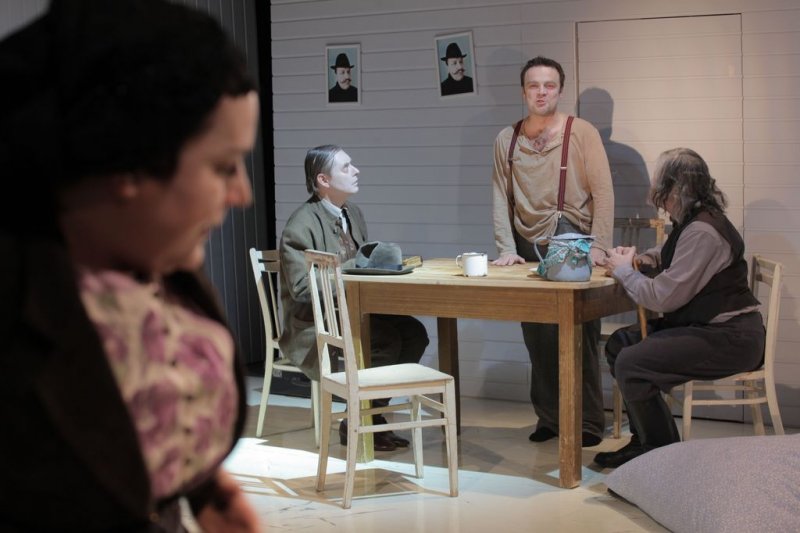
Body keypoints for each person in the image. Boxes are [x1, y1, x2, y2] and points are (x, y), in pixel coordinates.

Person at [0, 0, 261, 531]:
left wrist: (199, 486)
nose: (242, 194)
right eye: (223, 166)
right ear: (130, 165)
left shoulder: (153, 260)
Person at [594, 148, 765, 468]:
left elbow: (662, 297)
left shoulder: (702, 230)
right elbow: (668, 254)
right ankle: (646, 441)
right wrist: (638, 260)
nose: (655, 192)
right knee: (621, 344)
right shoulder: (693, 221)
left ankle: (661, 457)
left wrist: (625, 271)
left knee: (632, 362)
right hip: (709, 328)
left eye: (660, 183)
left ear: (675, 189)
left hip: (730, 337)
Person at [491, 56, 614, 447]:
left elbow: (603, 192)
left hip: (570, 236)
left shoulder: (581, 132)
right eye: (534, 85)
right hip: (526, 240)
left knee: (578, 333)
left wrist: (600, 245)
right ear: (523, 91)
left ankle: (588, 421)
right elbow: (500, 196)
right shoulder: (507, 138)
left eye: (549, 86)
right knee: (536, 333)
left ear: (560, 90)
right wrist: (505, 247)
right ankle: (549, 416)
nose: (541, 92)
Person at [279, 145, 429, 452]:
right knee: (384, 339)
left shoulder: (353, 214)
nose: (356, 170)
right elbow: (302, 288)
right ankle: (358, 420)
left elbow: (359, 267)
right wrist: (351, 267)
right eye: (346, 167)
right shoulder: (301, 224)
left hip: (350, 311)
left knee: (414, 333)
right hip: (315, 322)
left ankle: (369, 414)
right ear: (323, 180)